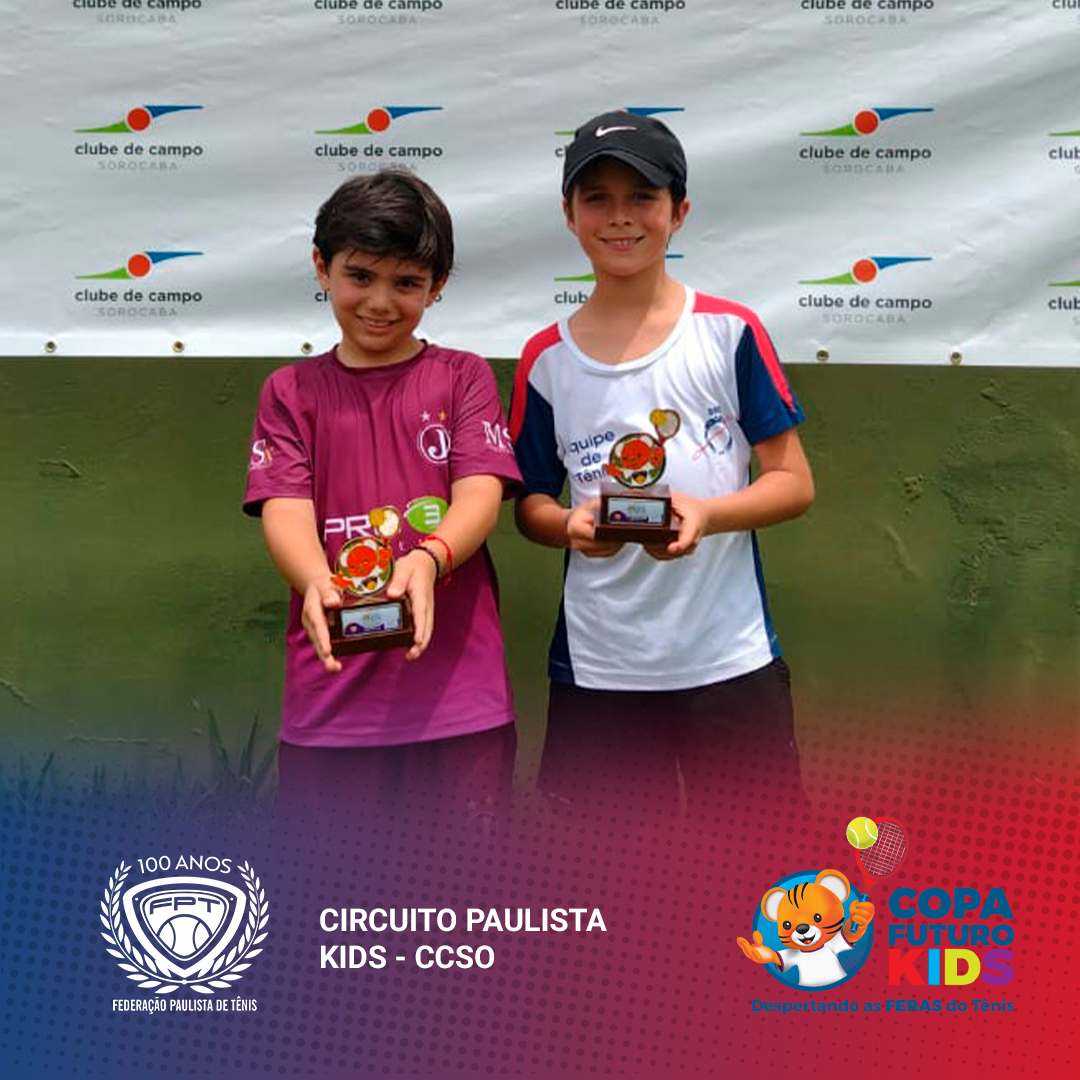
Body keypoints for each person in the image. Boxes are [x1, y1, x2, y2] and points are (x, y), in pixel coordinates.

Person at [510, 111, 815, 829]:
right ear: (569, 215)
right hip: (599, 671)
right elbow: (528, 504)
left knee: (756, 870)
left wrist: (707, 514)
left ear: (679, 212)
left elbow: (793, 483)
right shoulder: (544, 359)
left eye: (642, 197)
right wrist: (569, 526)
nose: (621, 217)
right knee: (608, 876)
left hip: (730, 662)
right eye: (597, 198)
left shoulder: (730, 332)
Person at [243, 170, 521, 835]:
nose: (379, 302)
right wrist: (316, 582)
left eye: (406, 283)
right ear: (322, 267)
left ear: (437, 285)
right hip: (330, 706)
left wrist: (429, 558)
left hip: (459, 704)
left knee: (468, 886)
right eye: (360, 276)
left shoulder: (463, 376)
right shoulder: (289, 392)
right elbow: (285, 509)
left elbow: (481, 493)